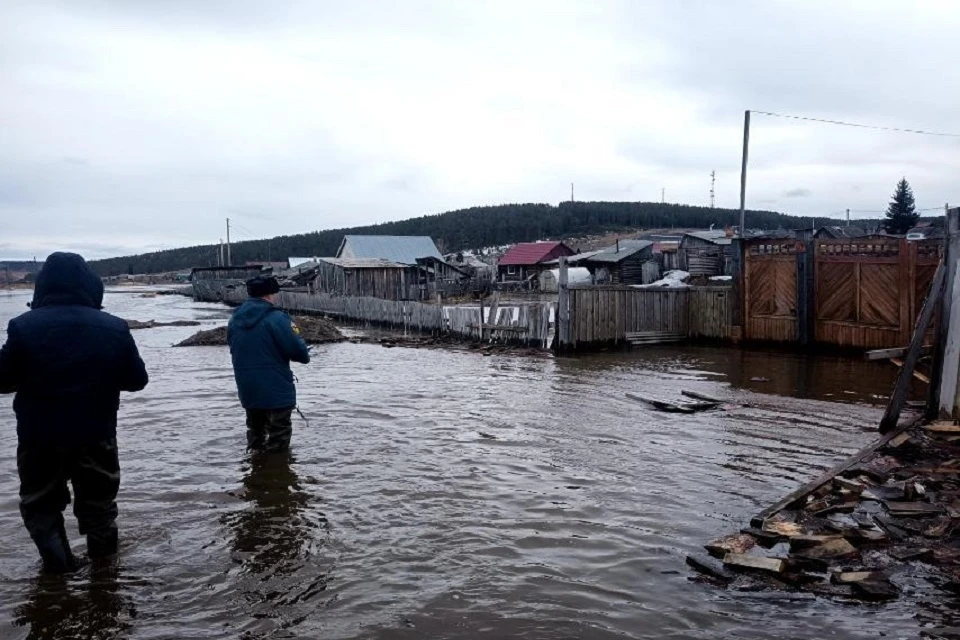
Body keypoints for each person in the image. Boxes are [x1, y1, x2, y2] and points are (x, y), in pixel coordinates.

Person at [0, 252, 148, 573]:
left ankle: (59, 574)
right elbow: (137, 381)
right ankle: (105, 579)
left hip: (38, 439)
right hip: (96, 435)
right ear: (90, 286)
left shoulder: (22, 327)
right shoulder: (114, 327)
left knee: (41, 509)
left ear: (42, 287)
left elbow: (2, 381)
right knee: (99, 509)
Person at [228, 276, 310, 452]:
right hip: (276, 391)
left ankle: (255, 473)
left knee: (255, 435)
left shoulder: (234, 320)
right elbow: (300, 352)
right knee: (278, 439)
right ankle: (277, 475)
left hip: (248, 390)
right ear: (271, 295)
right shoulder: (277, 318)